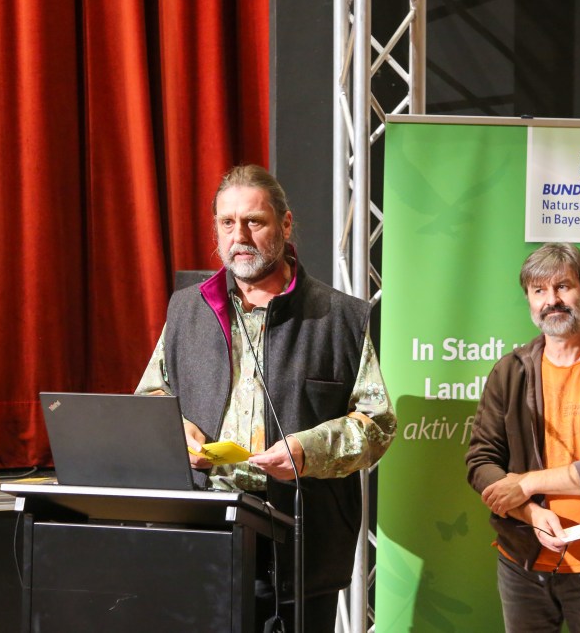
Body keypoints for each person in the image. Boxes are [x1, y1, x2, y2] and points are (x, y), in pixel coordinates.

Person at [136, 164, 396, 632]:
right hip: (204, 533)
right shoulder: (187, 309)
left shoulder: (339, 317)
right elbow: (152, 396)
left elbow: (376, 424)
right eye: (227, 222)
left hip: (300, 538)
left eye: (254, 221)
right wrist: (176, 428)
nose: (239, 236)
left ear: (285, 224)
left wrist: (307, 450)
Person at [465, 242, 580, 633]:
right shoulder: (510, 371)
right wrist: (529, 512)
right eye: (539, 291)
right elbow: (481, 461)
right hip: (522, 565)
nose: (551, 300)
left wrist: (527, 483)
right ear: (529, 300)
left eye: (563, 287)